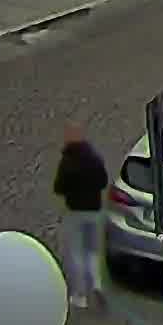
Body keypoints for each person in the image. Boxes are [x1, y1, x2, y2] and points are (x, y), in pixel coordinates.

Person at [51, 127, 109, 304]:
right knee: (92, 251)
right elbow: (103, 181)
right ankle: (97, 284)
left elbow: (58, 188)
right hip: (94, 210)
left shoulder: (67, 163)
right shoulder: (94, 159)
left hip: (75, 212)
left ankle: (80, 295)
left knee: (76, 253)